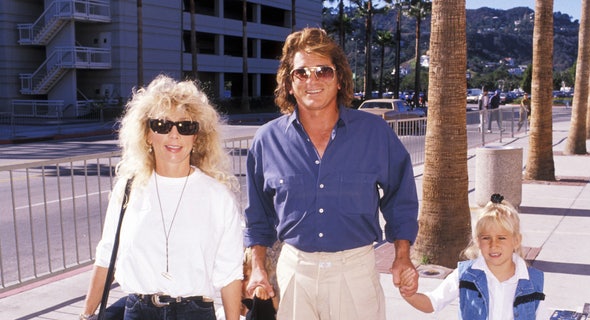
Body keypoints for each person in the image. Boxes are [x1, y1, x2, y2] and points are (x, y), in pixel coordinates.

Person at [243, 27, 419, 320]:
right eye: (302, 73)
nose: (312, 80)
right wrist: (258, 267)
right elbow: (257, 215)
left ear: (339, 79)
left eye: (323, 71)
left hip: (356, 273)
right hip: (294, 276)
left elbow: (400, 199)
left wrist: (402, 257)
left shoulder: (374, 133)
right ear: (289, 83)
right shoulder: (266, 140)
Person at [79, 74, 244, 320]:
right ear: (147, 134)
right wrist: (85, 315)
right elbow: (106, 259)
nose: (174, 135)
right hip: (138, 311)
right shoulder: (129, 189)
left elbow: (230, 273)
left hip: (194, 313)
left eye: (185, 127)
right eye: (162, 125)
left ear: (196, 137)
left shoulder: (217, 196)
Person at [399, 193, 547, 319]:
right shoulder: (465, 275)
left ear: (516, 240)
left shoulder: (533, 282)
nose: (493, 244)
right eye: (486, 238)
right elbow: (432, 302)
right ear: (477, 241)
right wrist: (409, 294)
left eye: (501, 238)